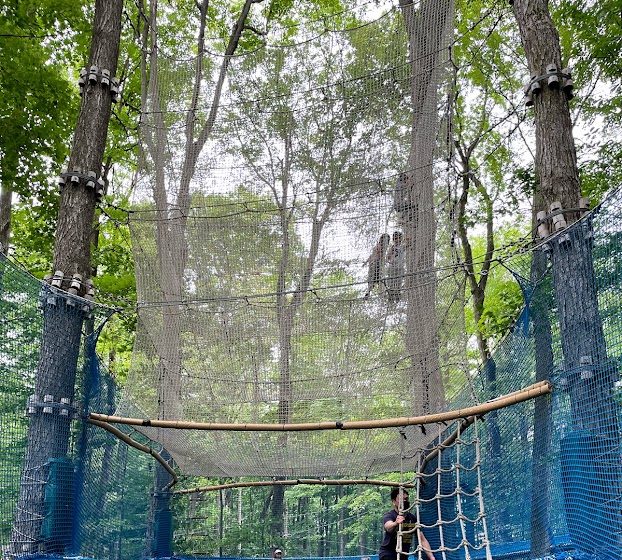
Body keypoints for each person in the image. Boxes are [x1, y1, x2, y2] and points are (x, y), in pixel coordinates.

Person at [378, 488, 436, 560]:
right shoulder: (390, 515)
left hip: (403, 555)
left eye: (406, 498)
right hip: (388, 554)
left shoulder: (412, 518)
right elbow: (387, 526)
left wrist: (431, 557)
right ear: (393, 501)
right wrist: (395, 523)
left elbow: (422, 539)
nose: (404, 500)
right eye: (401, 499)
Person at [386, 231, 404, 303]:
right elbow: (388, 258)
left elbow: (409, 242)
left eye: (399, 238)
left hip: (400, 267)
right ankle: (391, 295)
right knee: (391, 282)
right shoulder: (392, 247)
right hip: (392, 267)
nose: (397, 240)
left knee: (399, 281)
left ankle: (397, 294)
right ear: (393, 239)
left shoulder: (402, 246)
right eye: (395, 239)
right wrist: (391, 257)